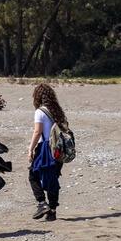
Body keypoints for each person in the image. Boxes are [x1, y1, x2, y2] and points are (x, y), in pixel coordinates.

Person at [27, 83, 68, 222]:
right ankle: (52, 211)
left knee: (33, 175)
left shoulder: (40, 112)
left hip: (44, 148)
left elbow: (37, 132)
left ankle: (41, 203)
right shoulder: (58, 111)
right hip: (58, 149)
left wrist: (30, 148)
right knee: (53, 179)